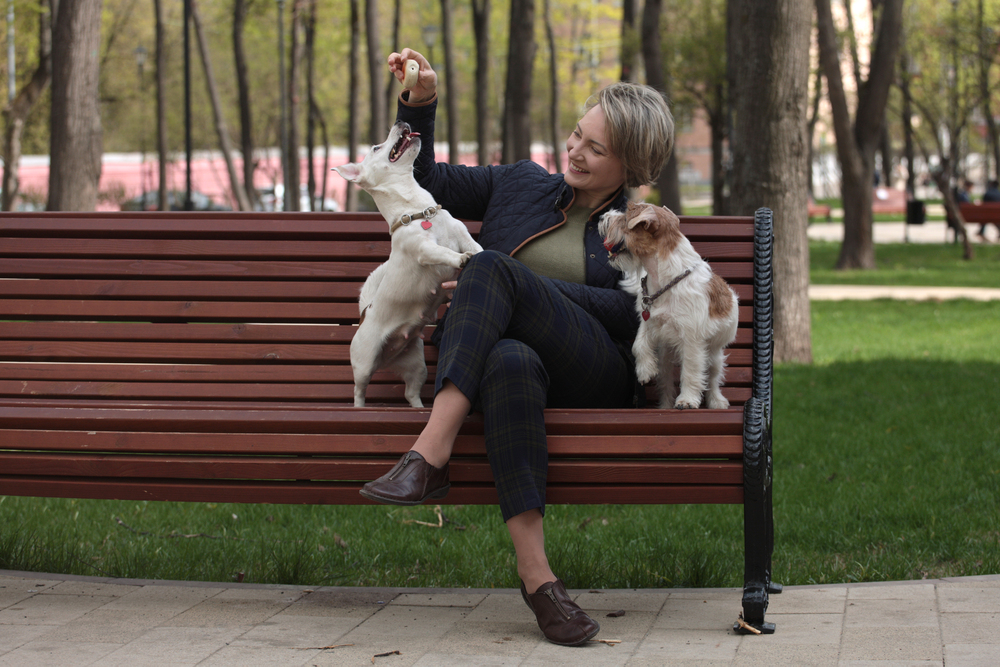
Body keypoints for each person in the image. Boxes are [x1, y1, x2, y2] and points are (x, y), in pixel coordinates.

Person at [359, 47, 674, 646]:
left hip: (594, 370)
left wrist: (527, 289)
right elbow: (425, 179)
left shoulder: (643, 228)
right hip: (493, 365)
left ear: (632, 164)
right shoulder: (521, 182)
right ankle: (540, 583)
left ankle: (428, 455)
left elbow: (643, 312)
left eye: (596, 148)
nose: (576, 151)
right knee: (508, 359)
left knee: (491, 268)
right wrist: (419, 106)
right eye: (577, 135)